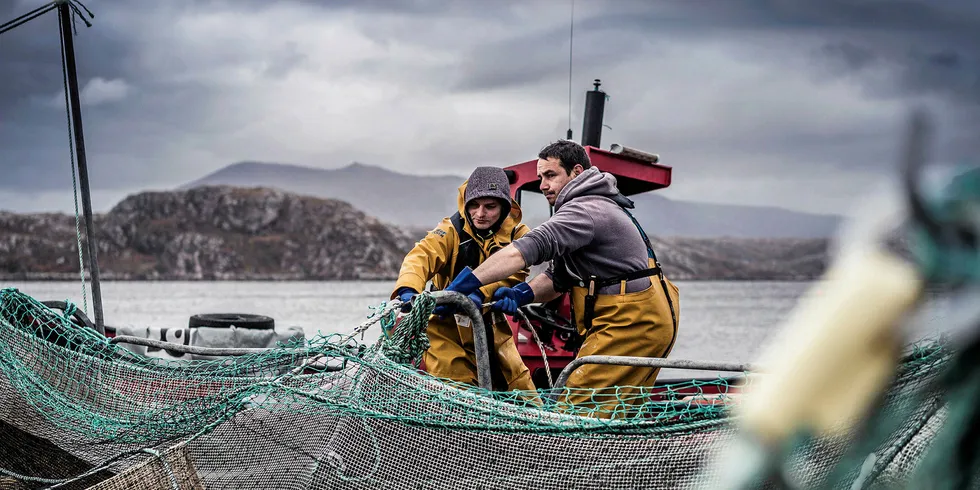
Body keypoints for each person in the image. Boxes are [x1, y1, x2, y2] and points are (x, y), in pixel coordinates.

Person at [438, 140, 680, 417]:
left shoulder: (585, 209)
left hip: (631, 320)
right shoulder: (601, 203)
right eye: (540, 176)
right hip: (649, 316)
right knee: (618, 409)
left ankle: (568, 459)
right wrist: (522, 294)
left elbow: (525, 250)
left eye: (551, 175)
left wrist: (464, 285)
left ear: (577, 172)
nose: (542, 185)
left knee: (574, 409)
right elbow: (559, 277)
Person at [390, 166, 537, 393]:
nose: (480, 213)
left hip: (492, 326)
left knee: (521, 392)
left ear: (505, 207)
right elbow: (420, 257)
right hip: (444, 328)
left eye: (490, 207)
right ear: (465, 204)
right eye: (474, 205)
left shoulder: (519, 235)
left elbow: (516, 274)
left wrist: (486, 293)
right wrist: (408, 289)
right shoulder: (450, 230)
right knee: (457, 392)